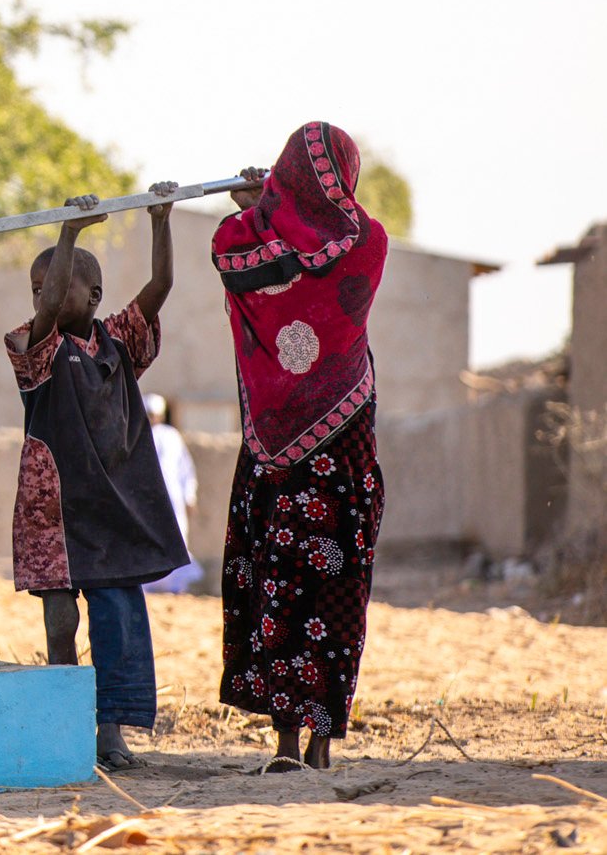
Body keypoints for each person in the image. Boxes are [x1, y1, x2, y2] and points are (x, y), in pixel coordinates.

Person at [213, 123, 388, 774]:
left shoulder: (265, 238)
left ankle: (293, 742)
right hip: (340, 458)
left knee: (286, 593)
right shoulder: (364, 241)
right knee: (321, 595)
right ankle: (312, 743)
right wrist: (275, 210)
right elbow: (318, 246)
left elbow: (235, 248)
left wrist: (262, 210)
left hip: (280, 457)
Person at [6, 183, 187, 771]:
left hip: (111, 508)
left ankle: (110, 730)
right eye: (37, 289)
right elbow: (52, 300)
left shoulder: (119, 343)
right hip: (53, 508)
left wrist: (161, 219)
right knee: (60, 617)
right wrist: (68, 231)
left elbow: (159, 288)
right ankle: (62, 725)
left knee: (116, 616)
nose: (45, 295)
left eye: (57, 283)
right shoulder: (36, 348)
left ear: (96, 295)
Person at [142, 393, 204, 595]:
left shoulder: (171, 435)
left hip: (172, 498)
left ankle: (177, 586)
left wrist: (189, 496)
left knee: (176, 539)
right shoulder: (136, 435)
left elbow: (185, 469)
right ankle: (147, 585)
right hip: (146, 500)